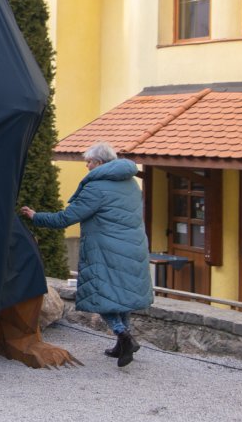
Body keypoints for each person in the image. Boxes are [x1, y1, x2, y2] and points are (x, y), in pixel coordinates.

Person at [21, 142, 153, 367]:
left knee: (103, 298)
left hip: (107, 250)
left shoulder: (97, 188)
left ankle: (124, 336)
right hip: (134, 247)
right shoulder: (131, 183)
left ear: (100, 163)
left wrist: (35, 216)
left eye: (89, 162)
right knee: (122, 298)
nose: (87, 166)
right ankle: (123, 344)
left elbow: (66, 218)